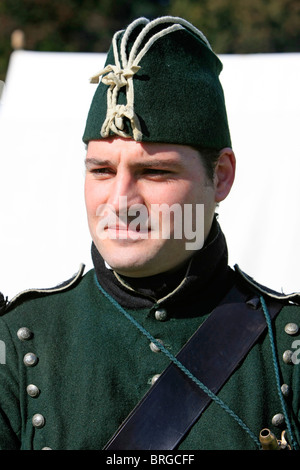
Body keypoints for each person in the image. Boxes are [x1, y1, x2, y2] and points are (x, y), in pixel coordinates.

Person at [0, 16, 299, 451]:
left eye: (155, 172)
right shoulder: (18, 341)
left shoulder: (288, 346)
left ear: (221, 178)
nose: (119, 201)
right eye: (101, 170)